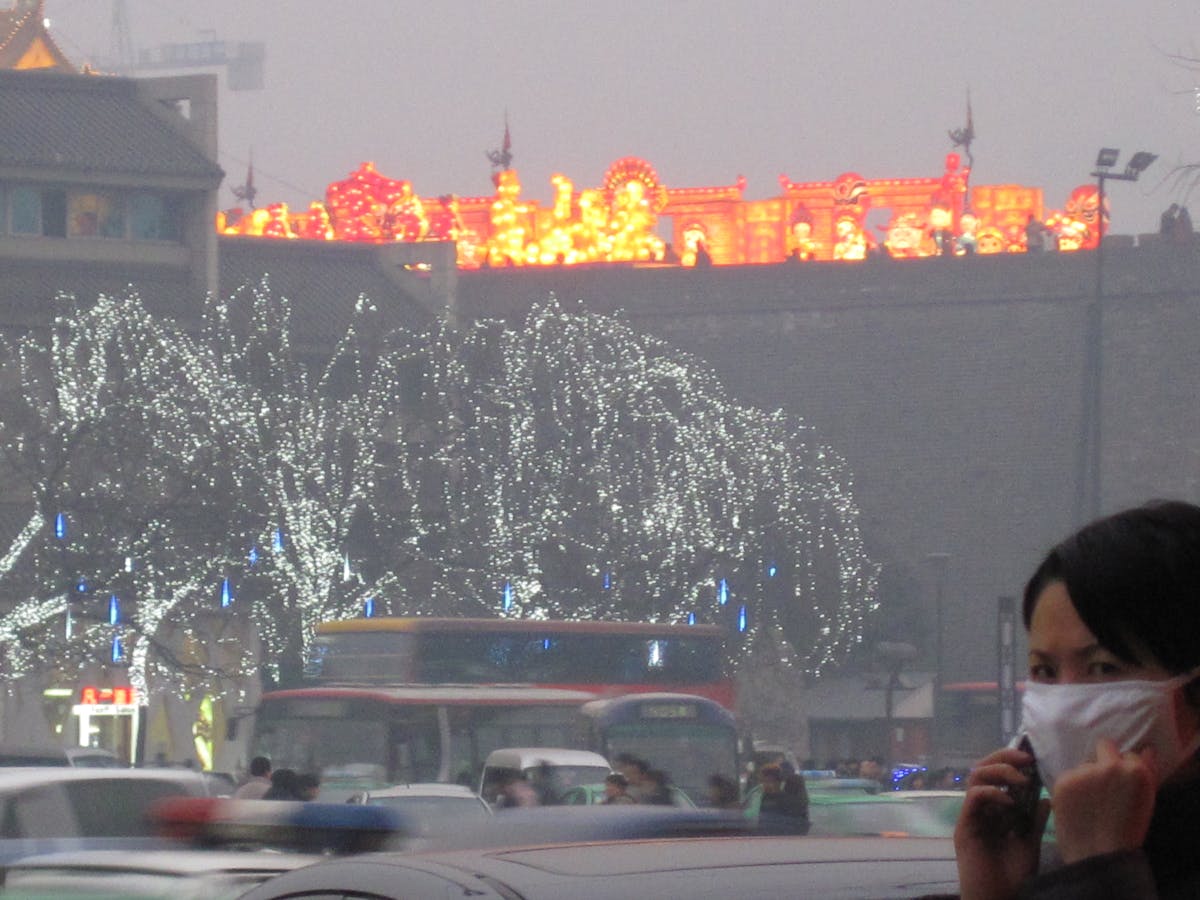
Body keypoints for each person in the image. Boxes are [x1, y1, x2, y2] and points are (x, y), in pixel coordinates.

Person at [954, 500, 1200, 899]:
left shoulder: (1093, 866)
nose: (1064, 704)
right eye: (1045, 671)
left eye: (1103, 667)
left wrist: (1099, 872)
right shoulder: (1051, 866)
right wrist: (994, 891)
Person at [756, 763, 810, 834]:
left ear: (779, 782)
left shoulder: (787, 801)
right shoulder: (765, 797)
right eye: (764, 781)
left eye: (770, 781)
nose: (766, 785)